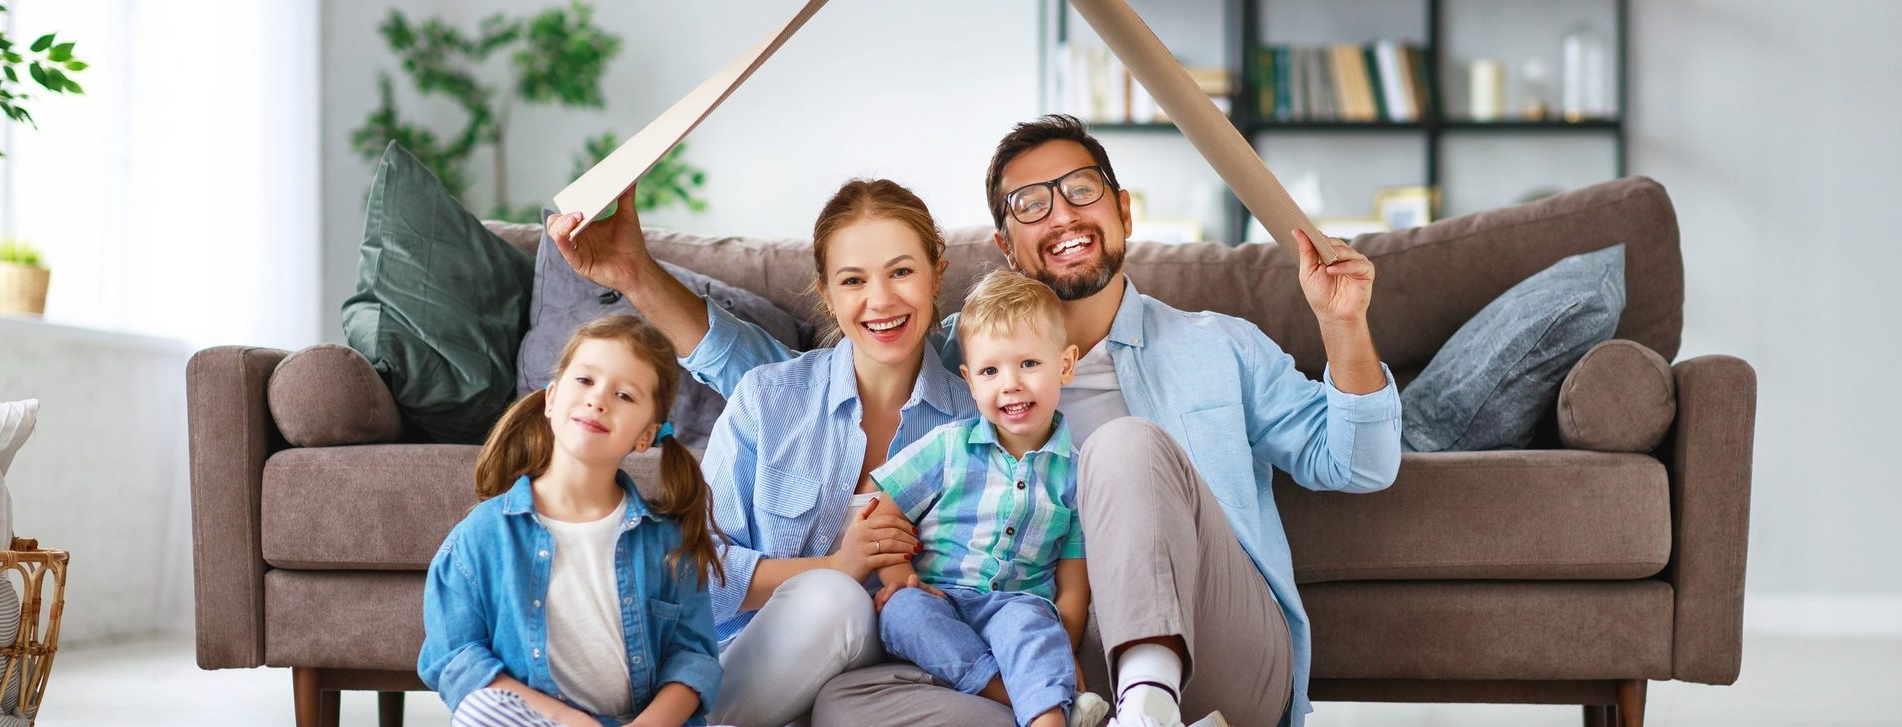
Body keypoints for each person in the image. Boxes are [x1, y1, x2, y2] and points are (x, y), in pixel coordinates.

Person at [548, 114, 1402, 727]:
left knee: (1123, 448)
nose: (1061, 215)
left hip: (1213, 653)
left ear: (1123, 209)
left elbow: (1355, 462)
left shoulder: (1219, 345)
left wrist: (1343, 326)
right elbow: (794, 386)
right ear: (1002, 247)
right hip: (1034, 662)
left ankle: (1148, 699)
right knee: (850, 699)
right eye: (1031, 205)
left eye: (1080, 191)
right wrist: (635, 272)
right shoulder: (965, 360)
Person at [548, 178, 980, 726]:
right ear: (826, 294)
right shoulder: (769, 396)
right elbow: (703, 570)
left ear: (937, 272)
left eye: (901, 271)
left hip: (887, 671)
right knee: (831, 595)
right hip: (745, 661)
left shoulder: (976, 420)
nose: (881, 300)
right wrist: (834, 566)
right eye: (853, 280)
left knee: (841, 605)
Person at [418, 315, 723, 727]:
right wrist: (568, 720)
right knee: (477, 710)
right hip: (538, 720)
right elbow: (455, 659)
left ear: (645, 437)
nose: (598, 400)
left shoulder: (667, 539)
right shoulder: (483, 536)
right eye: (585, 381)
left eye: (624, 395)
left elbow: (694, 659)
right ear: (551, 399)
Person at [867, 271, 1111, 727]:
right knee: (902, 612)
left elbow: (1074, 585)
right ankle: (1023, 695)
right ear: (970, 381)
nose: (1011, 384)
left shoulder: (1079, 475)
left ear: (1066, 363)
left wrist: (1063, 647)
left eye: (1030, 364)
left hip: (1017, 606)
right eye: (990, 371)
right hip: (941, 597)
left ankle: (1046, 716)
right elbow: (884, 510)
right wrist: (902, 577)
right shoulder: (947, 447)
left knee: (1034, 628)